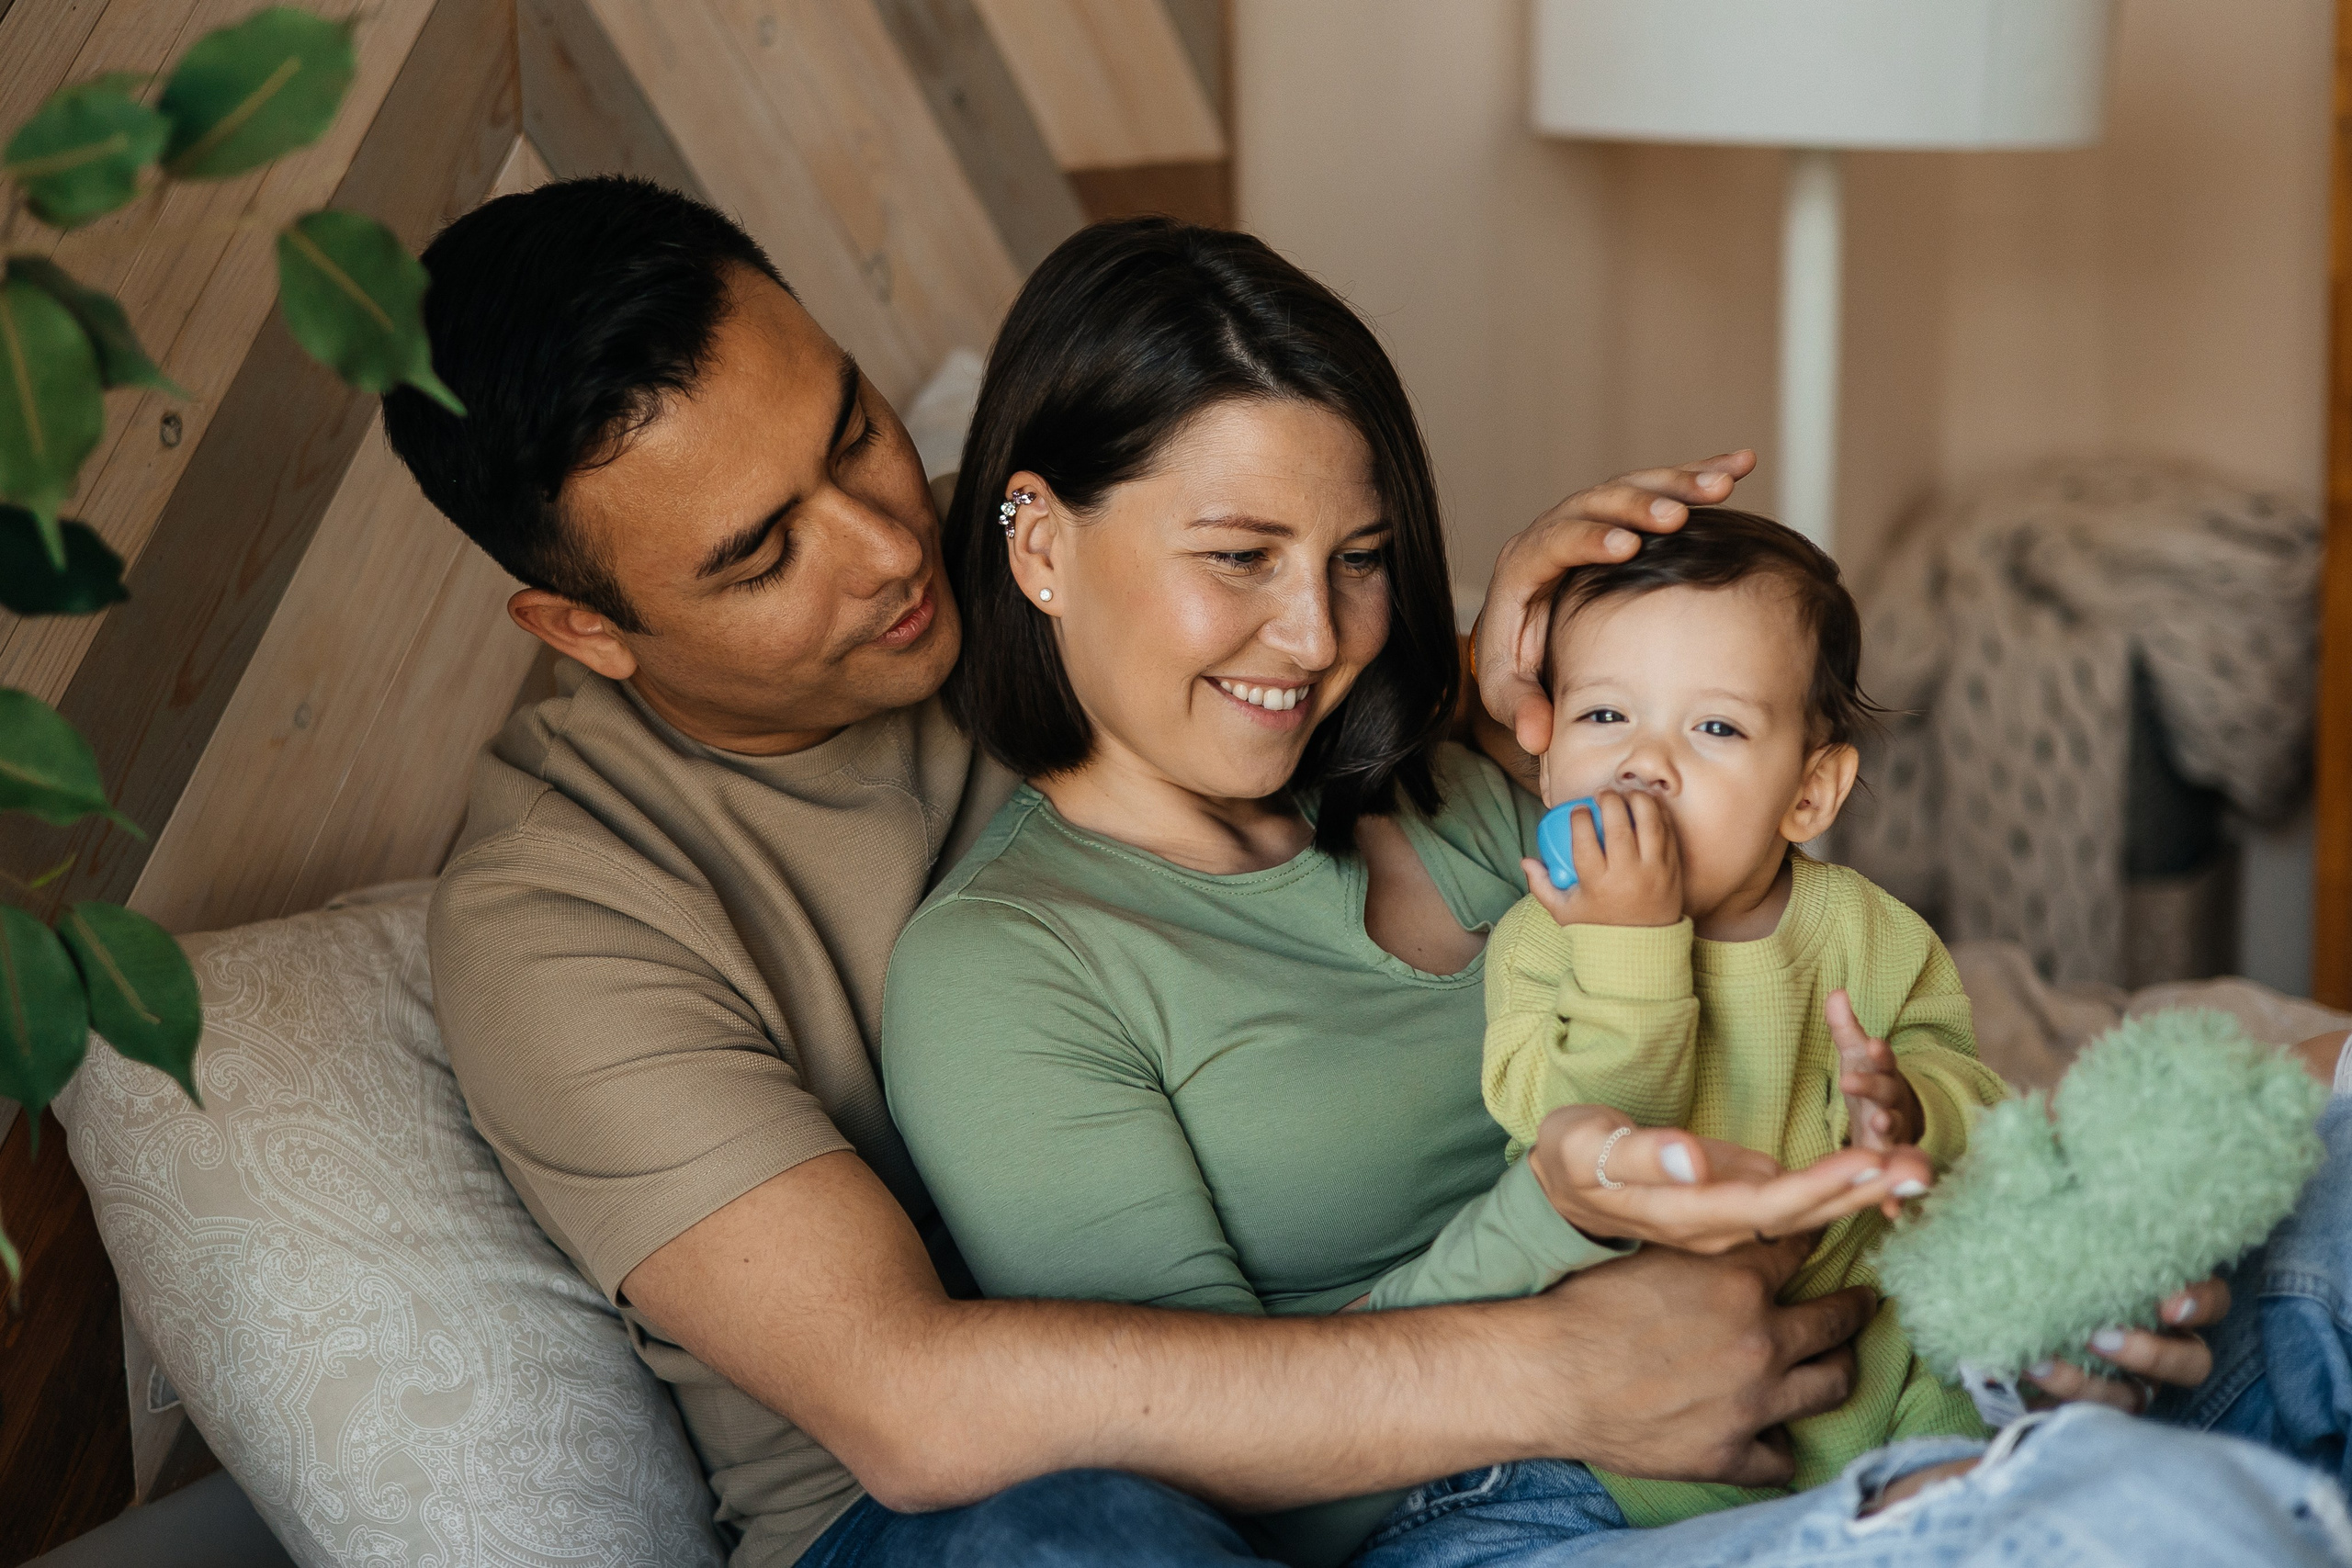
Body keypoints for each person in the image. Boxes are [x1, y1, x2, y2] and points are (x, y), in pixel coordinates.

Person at [380, 176, 1937, 1568]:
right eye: (761, 553)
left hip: (1488, 1379)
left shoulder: (1016, 531)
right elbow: (913, 1404)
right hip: (959, 1508)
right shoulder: (563, 913)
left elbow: (1302, 667)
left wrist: (1535, 667)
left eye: (854, 428)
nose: (883, 546)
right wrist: (1565, 1362)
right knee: (1086, 1529)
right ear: (584, 627)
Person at [876, 215, 2349, 1567]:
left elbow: (1802, 987)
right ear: (1042, 541)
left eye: (1364, 558)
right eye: (1241, 556)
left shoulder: (1462, 784)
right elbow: (1206, 1467)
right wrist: (1571, 1273)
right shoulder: (1010, 968)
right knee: (2135, 1525)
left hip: (1892, 1363)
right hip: (1514, 1498)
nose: (1317, 633)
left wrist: (2044, 1255)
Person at [1468, 507, 2007, 1526]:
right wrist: (1627, 943)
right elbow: (1571, 1128)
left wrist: (1914, 1103)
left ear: (1809, 794)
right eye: (1602, 718)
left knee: (1980, 1376)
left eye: (1712, 728)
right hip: (1634, 1440)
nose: (1644, 763)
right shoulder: (1543, 938)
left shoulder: (1864, 931)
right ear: (1546, 768)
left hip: (1879, 1375)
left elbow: (1974, 1088)